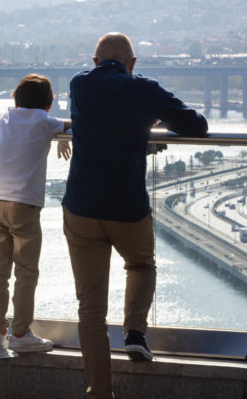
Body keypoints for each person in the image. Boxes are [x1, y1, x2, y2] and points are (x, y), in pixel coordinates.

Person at [62, 32, 208, 399]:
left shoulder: (79, 85)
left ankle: (99, 391)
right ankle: (135, 333)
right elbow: (195, 125)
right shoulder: (143, 89)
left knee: (90, 308)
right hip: (127, 207)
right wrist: (149, 119)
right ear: (132, 63)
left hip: (81, 207)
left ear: (94, 63)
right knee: (141, 265)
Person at [0, 73, 71, 352]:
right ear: (48, 105)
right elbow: (75, 125)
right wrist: (61, 136)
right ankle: (21, 334)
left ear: (16, 98)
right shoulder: (44, 122)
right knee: (26, 271)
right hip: (24, 204)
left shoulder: (6, 119)